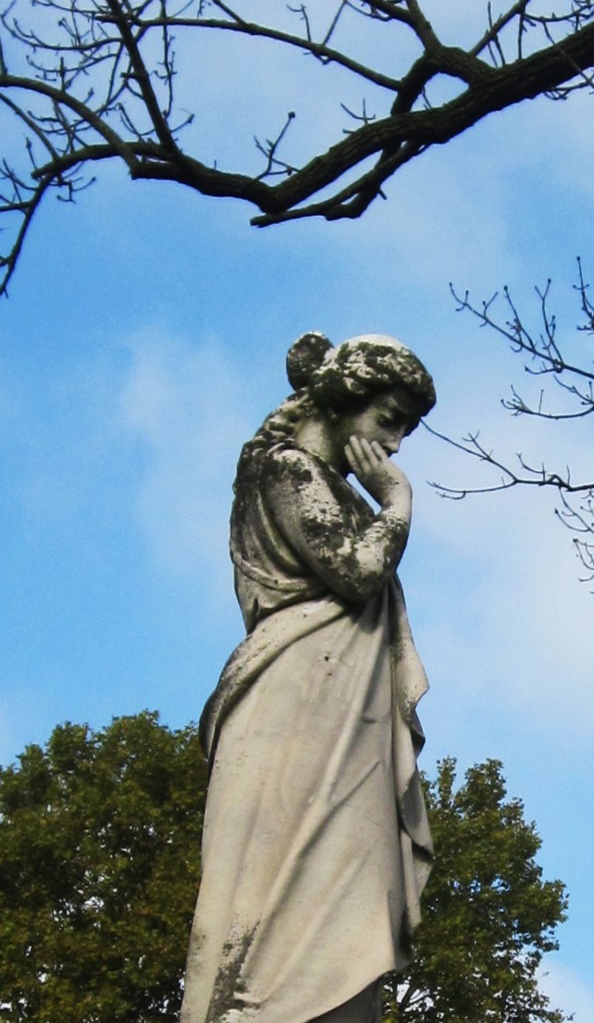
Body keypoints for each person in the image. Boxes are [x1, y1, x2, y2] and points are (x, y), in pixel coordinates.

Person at [180, 332, 436, 1023]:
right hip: (296, 696)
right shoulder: (283, 469)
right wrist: (398, 504)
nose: (395, 445)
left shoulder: (339, 497)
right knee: (272, 894)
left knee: (351, 886)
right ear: (344, 399)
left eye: (406, 431)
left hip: (348, 708)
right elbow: (356, 570)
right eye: (390, 420)